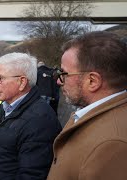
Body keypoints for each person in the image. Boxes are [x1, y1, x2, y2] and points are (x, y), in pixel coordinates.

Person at [47, 31, 127, 179]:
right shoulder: (93, 114)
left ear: (92, 81)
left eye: (63, 74)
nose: (58, 81)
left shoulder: (113, 145)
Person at [0, 52, 62, 179]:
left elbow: (32, 175)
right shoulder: (7, 108)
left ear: (22, 82)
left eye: (1, 78)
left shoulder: (39, 121)